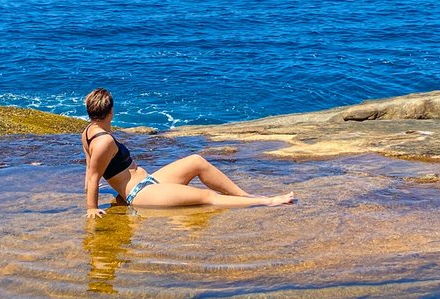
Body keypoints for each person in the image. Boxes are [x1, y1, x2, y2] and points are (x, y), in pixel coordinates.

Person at [80, 88, 296, 219]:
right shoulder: (104, 141)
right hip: (140, 194)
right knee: (207, 197)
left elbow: (90, 169)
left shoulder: (88, 132)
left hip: (147, 181)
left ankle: (244, 196)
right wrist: (92, 208)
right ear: (110, 112)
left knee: (196, 161)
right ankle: (267, 202)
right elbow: (93, 175)